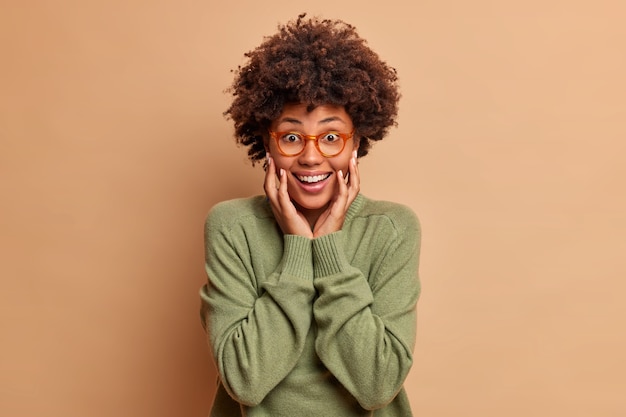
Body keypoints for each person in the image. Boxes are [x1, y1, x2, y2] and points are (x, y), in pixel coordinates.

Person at [199, 13, 421, 417]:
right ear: (266, 142)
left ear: (358, 142)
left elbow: (376, 386)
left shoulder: (392, 229)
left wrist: (330, 249)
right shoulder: (233, 227)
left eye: (331, 137)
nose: (312, 155)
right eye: (291, 137)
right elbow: (246, 382)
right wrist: (299, 245)